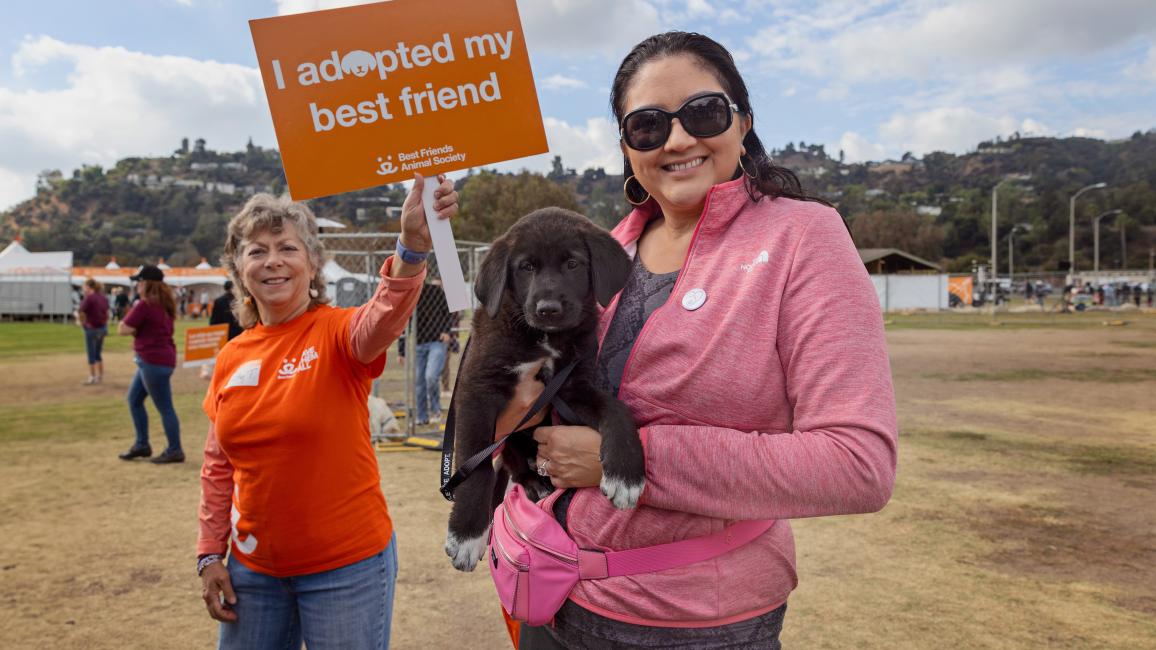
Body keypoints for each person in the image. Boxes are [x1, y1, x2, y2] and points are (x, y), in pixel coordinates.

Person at [503, 32, 897, 648]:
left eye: (704, 113)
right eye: (648, 126)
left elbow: (857, 465)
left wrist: (625, 457)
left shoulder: (803, 238)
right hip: (551, 592)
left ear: (743, 122)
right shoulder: (602, 251)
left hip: (693, 623)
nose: (679, 139)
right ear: (628, 148)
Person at [197, 174, 457, 649]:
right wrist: (209, 554)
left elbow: (383, 314)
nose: (272, 261)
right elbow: (218, 466)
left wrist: (412, 246)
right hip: (252, 572)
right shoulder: (232, 357)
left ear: (313, 264)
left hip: (345, 569)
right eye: (256, 250)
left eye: (287, 248)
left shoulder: (338, 333)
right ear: (238, 269)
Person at [117, 264, 184, 463]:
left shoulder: (145, 304)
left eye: (139, 281)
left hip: (152, 360)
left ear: (146, 283)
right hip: (159, 359)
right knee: (134, 400)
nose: (137, 286)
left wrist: (128, 325)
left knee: (165, 407)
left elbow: (124, 329)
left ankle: (174, 449)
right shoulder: (165, 303)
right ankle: (142, 444)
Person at [412, 276, 454, 425]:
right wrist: (401, 351)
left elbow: (449, 312)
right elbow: (404, 321)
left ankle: (436, 410)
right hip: (419, 343)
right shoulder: (410, 295)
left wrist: (447, 331)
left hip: (437, 341)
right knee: (419, 381)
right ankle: (422, 416)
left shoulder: (436, 292)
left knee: (431, 377)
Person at [77, 277, 110, 385]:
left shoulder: (89, 298)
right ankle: (100, 376)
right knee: (98, 353)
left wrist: (82, 324)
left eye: (84, 286)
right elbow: (107, 312)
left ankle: (92, 377)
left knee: (91, 353)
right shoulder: (103, 297)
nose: (83, 289)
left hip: (92, 328)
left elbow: (81, 310)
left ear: (88, 287)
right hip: (103, 328)